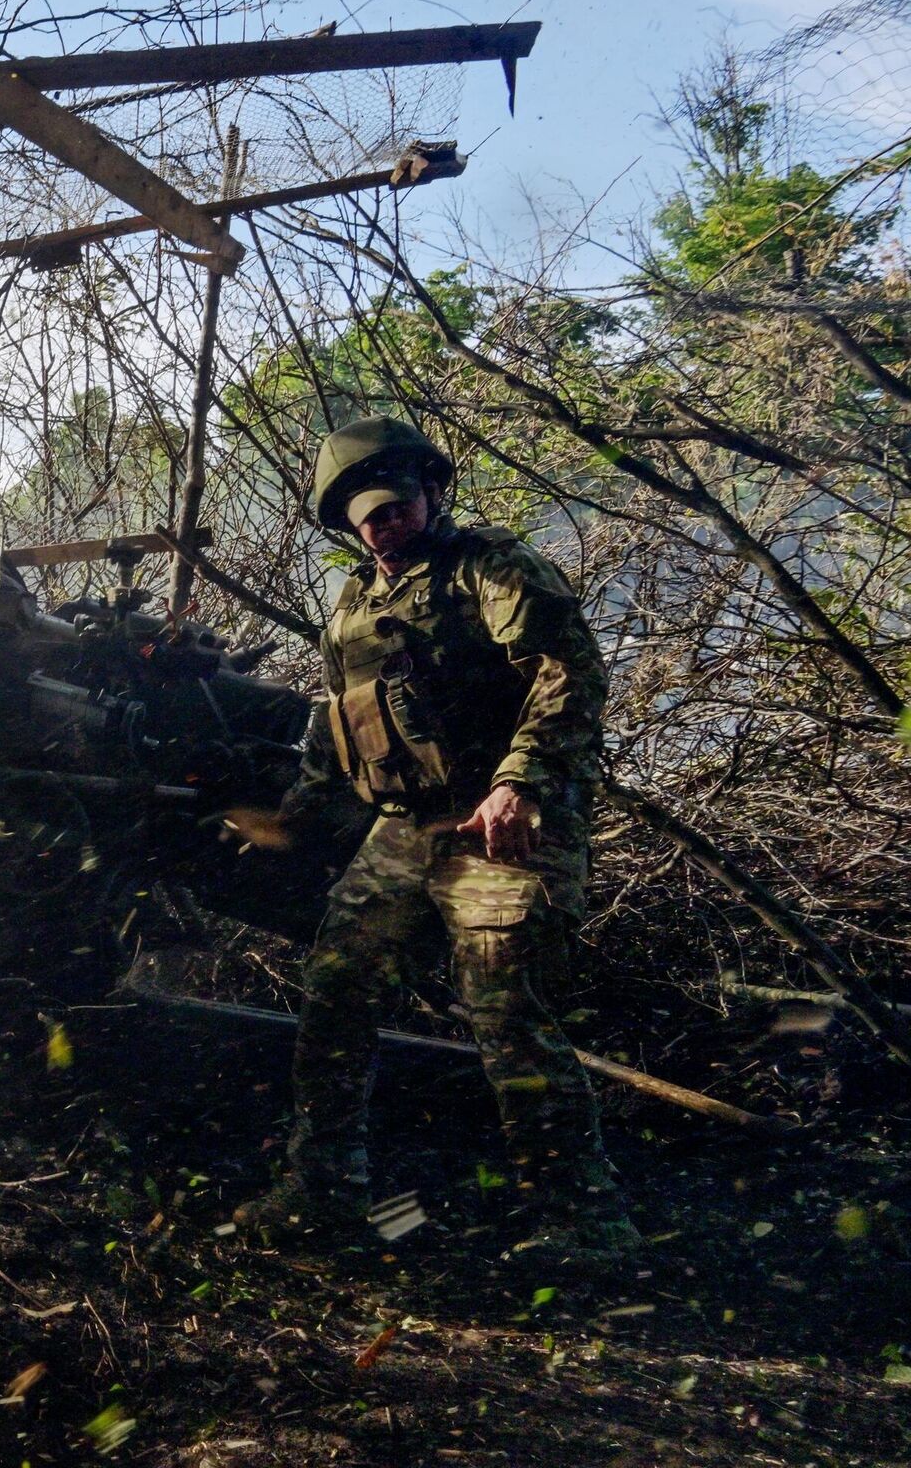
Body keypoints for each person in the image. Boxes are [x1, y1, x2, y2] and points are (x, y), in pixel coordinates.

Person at [231, 415, 641, 1265]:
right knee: (335, 996)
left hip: (498, 825)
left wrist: (519, 781)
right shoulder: (354, 605)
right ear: (345, 522)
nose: (385, 523)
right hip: (403, 830)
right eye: (366, 513)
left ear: (430, 492)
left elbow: (568, 673)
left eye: (397, 504)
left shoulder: (490, 568)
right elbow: (341, 729)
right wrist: (297, 821)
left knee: (507, 1014)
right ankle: (324, 1191)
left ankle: (585, 1227)